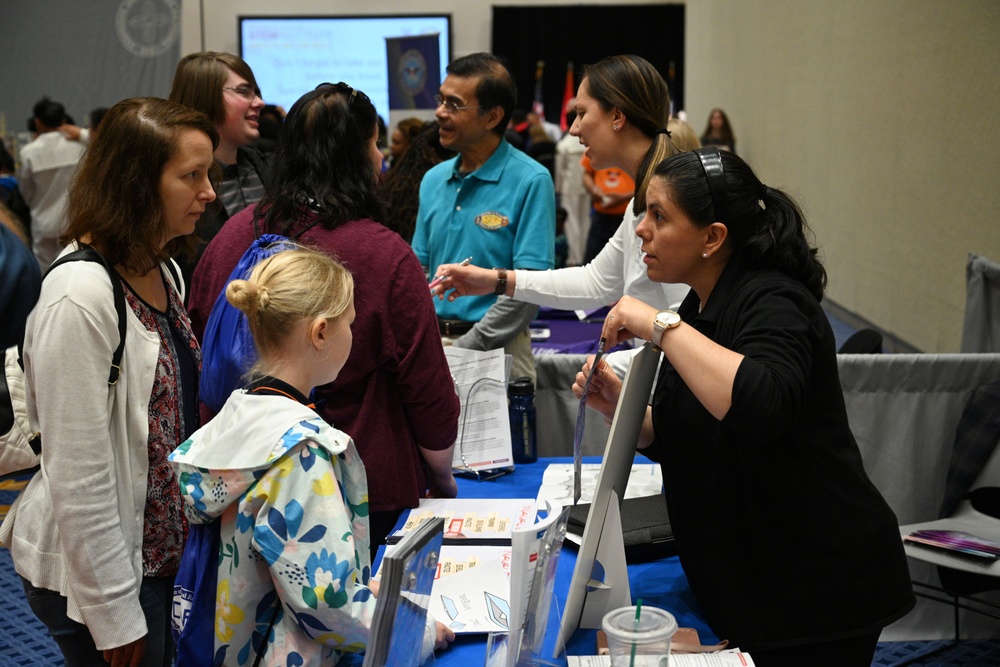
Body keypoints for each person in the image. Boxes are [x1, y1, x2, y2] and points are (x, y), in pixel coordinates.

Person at [577, 147, 915, 666]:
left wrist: (657, 325)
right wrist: (623, 409)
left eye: (658, 215)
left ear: (712, 238)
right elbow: (695, 431)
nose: (640, 228)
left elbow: (762, 406)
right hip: (753, 579)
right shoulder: (699, 304)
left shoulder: (775, 300)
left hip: (817, 590)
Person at [187, 83, 460, 558]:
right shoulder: (382, 252)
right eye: (374, 144)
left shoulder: (233, 234)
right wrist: (441, 475)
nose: (380, 156)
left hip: (238, 478)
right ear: (355, 155)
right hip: (359, 491)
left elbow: (196, 350)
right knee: (358, 623)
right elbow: (428, 388)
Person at [2, 97, 217, 667]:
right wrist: (113, 612)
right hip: (103, 573)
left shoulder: (161, 268)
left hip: (158, 556)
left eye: (209, 173)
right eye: (191, 175)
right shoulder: (79, 297)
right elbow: (79, 474)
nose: (210, 192)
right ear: (138, 184)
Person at [170, 246, 454, 664]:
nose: (353, 336)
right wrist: (420, 631)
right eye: (350, 324)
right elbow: (328, 606)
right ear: (321, 332)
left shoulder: (236, 417)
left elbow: (280, 561)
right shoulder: (301, 454)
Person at [431, 55, 687, 377]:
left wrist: (612, 367)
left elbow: (689, 333)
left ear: (617, 117)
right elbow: (595, 282)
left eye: (581, 113)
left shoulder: (673, 199)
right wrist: (494, 280)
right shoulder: (643, 200)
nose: (574, 128)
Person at [412, 52, 556, 383]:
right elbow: (418, 271)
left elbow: (530, 288)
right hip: (436, 349)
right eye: (440, 100)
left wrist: (465, 348)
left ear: (492, 117)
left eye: (453, 104)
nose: (439, 112)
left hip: (498, 352)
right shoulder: (433, 179)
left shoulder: (530, 180)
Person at [168, 51, 269, 285]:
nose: (260, 102)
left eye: (257, 93)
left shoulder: (267, 168)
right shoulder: (178, 181)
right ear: (205, 97)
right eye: (244, 92)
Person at [18, 97, 86, 269]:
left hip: (42, 221)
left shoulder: (28, 152)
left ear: (37, 122)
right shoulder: (79, 146)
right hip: (72, 219)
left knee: (45, 273)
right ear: (63, 120)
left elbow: (26, 190)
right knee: (74, 268)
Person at [377, 120, 455, 244]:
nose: (391, 147)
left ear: (410, 145)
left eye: (397, 142)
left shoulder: (419, 183)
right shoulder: (401, 183)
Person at [581, 154, 634, 263]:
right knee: (592, 259)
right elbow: (587, 174)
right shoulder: (596, 144)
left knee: (624, 262)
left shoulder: (635, 147)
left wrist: (623, 197)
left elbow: (648, 184)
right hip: (601, 216)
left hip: (627, 217)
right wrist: (593, 189)